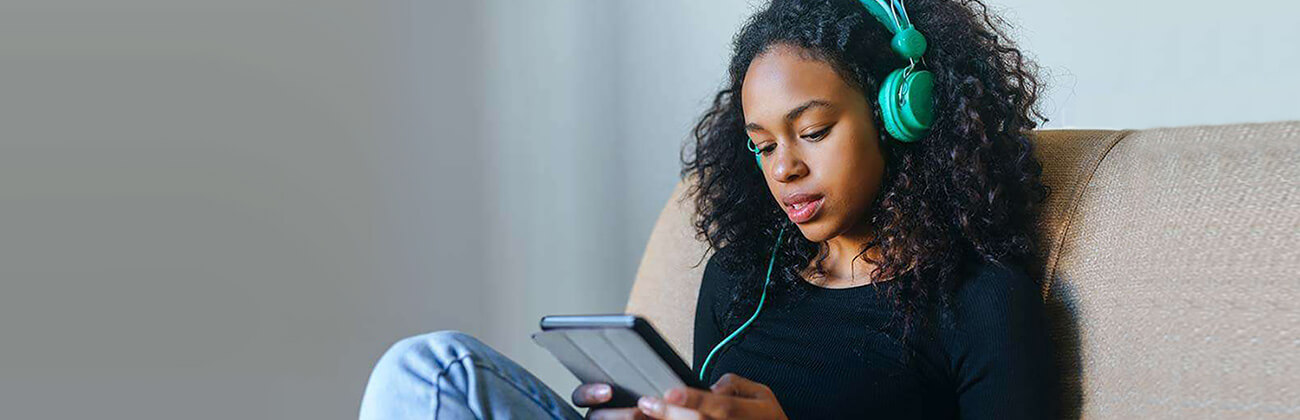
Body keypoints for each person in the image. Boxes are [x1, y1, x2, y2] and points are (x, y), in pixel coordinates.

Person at [360, 0, 1058, 418]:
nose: (785, 167)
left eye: (812, 132)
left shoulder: (982, 300)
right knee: (429, 370)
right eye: (762, 145)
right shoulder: (741, 278)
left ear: (896, 117)